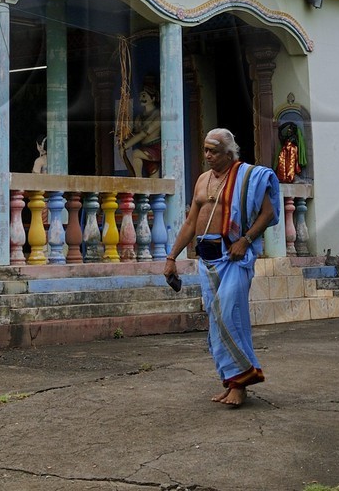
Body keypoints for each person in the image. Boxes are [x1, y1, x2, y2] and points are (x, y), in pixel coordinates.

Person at [163, 128, 281, 408]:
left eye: (212, 151)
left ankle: (241, 386)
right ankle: (231, 383)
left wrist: (246, 239)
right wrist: (171, 258)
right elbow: (191, 222)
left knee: (231, 317)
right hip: (207, 261)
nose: (207, 156)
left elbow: (269, 213)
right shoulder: (203, 180)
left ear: (228, 153)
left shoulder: (248, 177)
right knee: (217, 323)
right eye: (205, 150)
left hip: (233, 258)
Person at [119, 82, 162, 178]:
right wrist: (124, 139)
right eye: (140, 95)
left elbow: (144, 133)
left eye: (144, 95)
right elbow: (135, 133)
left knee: (135, 154)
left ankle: (138, 181)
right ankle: (137, 179)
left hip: (155, 148)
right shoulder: (140, 117)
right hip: (145, 148)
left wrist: (126, 145)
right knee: (153, 178)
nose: (141, 98)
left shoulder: (158, 115)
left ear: (153, 98)